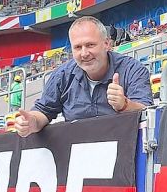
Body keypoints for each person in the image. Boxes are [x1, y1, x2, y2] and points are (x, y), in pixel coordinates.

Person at [15, 16, 152, 136]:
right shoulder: (61, 75)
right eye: (78, 47)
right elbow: (43, 111)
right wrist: (32, 122)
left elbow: (148, 113)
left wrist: (124, 105)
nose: (84, 53)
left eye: (90, 45)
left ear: (107, 44)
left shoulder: (133, 69)